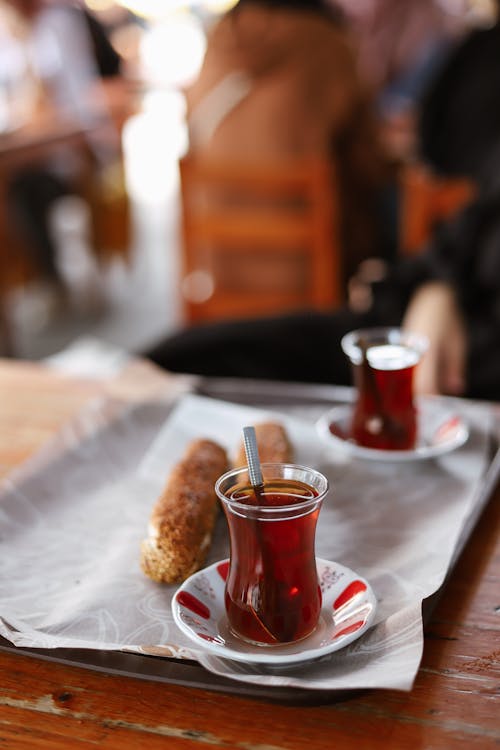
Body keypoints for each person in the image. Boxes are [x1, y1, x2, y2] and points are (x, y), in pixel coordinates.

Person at [147, 181, 500, 403]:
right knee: (182, 358)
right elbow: (471, 225)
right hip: (407, 331)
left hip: (466, 387)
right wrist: (435, 290)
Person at [182, 0, 391, 286]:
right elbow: (368, 158)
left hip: (219, 266)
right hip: (305, 271)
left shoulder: (221, 37)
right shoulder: (329, 42)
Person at [2, 0, 123, 305]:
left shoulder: (64, 21)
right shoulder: (9, 30)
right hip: (29, 150)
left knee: (28, 191)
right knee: (14, 190)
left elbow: (79, 88)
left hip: (73, 147)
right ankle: (26, 285)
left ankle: (49, 281)